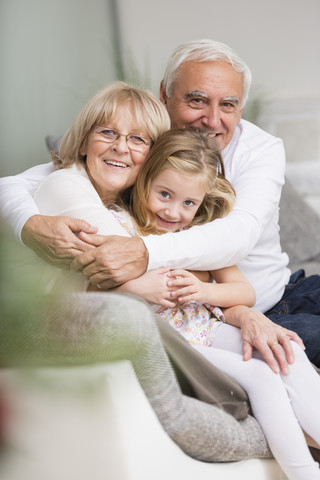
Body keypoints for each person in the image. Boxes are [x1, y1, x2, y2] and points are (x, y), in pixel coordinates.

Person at [0, 39, 319, 372]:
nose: (211, 119)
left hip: (282, 291)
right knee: (291, 363)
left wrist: (143, 252)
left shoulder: (261, 149)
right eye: (196, 100)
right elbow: (21, 182)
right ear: (164, 94)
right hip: (225, 315)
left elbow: (238, 236)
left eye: (228, 104)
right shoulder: (143, 143)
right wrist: (28, 225)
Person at [107, 127, 320, 480]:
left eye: (189, 203)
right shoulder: (120, 228)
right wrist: (140, 289)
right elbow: (93, 296)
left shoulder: (196, 237)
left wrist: (202, 291)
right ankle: (304, 473)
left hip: (205, 327)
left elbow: (244, 293)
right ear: (144, 178)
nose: (174, 212)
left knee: (287, 350)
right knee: (262, 376)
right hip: (175, 343)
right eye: (164, 194)